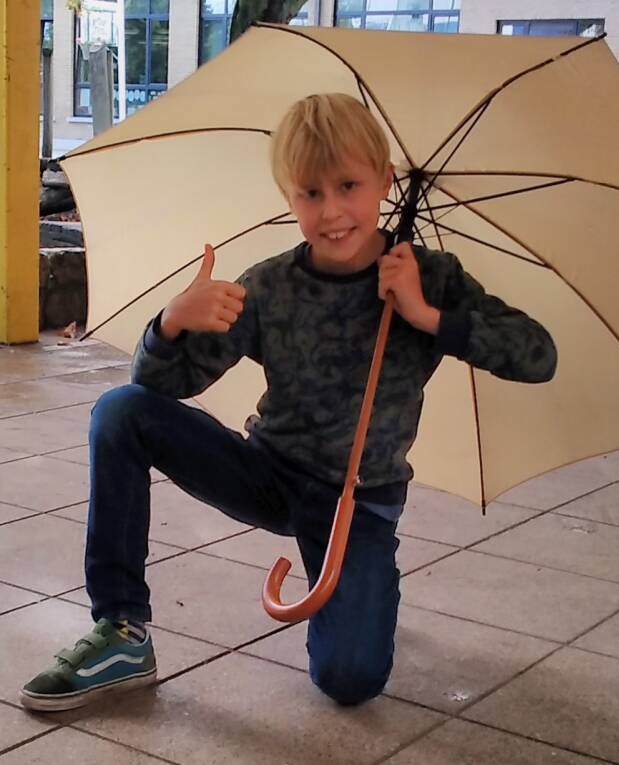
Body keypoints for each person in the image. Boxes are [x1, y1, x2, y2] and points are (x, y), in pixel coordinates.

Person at [21, 93, 557, 712]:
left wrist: (426, 315)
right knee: (120, 412)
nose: (331, 212)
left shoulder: (430, 277)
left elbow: (537, 356)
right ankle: (121, 630)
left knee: (349, 680)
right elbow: (161, 387)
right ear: (289, 197)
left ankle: (366, 590)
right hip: (268, 473)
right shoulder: (271, 284)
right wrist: (170, 323)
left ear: (384, 181)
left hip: (359, 501)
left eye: (349, 186)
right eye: (310, 193)